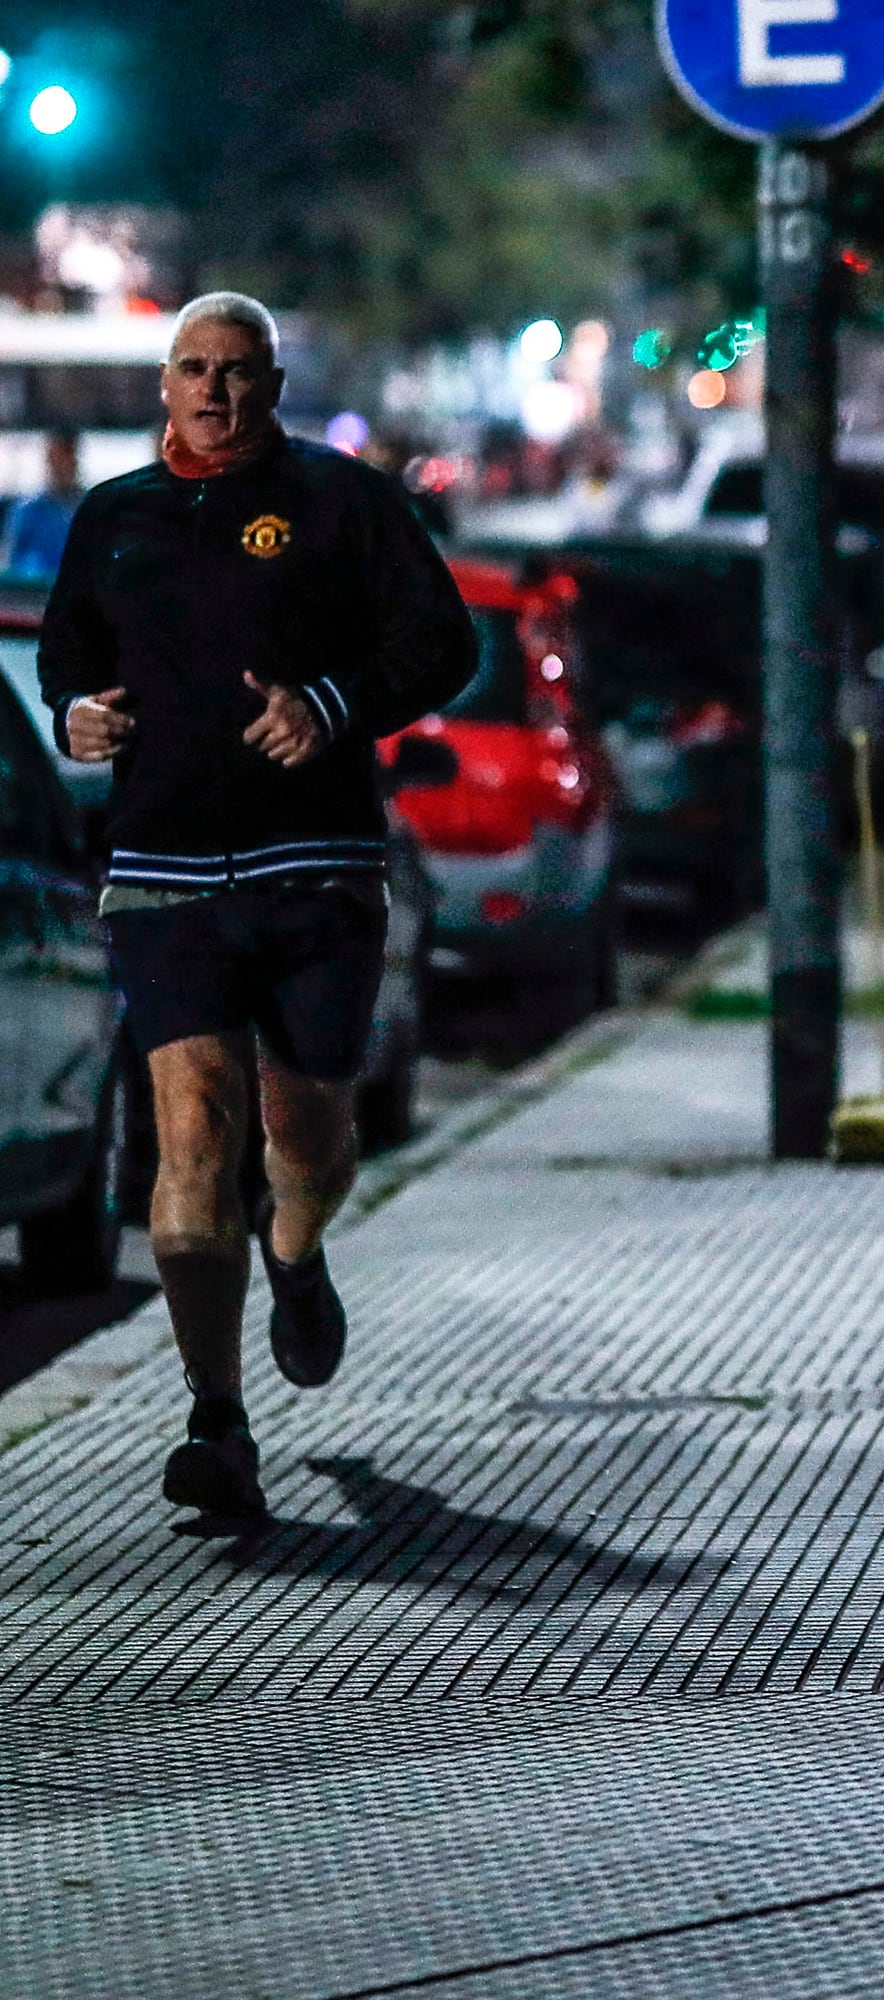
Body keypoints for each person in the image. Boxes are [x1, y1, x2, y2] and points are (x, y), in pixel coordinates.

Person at [39, 292, 474, 1525]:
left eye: (239, 372)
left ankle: (296, 1245)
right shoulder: (114, 517)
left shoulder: (344, 502)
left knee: (311, 1137)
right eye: (194, 370)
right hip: (166, 871)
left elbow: (442, 643)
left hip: (315, 864)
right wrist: (77, 713)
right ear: (163, 385)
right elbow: (66, 655)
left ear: (273, 386)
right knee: (191, 1134)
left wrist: (330, 705)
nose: (217, 393)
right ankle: (214, 1419)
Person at [6, 426, 85, 579]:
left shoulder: (89, 508)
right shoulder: (27, 511)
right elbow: (9, 564)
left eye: (66, 456)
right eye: (55, 457)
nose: (61, 465)